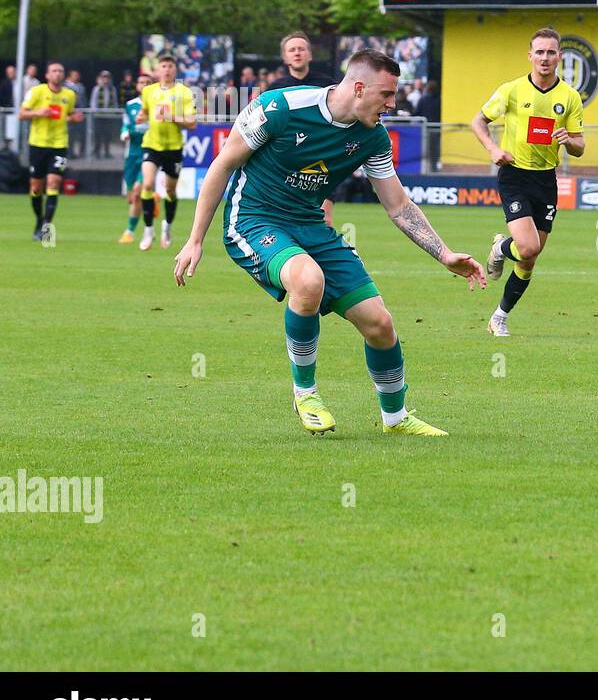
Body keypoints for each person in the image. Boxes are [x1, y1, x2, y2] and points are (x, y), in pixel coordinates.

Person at [173, 48, 486, 437]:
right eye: (386, 95)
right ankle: (305, 393)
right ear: (358, 87)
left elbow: (398, 204)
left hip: (311, 226)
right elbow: (222, 164)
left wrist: (445, 254)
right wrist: (194, 240)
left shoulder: (373, 137)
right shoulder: (279, 107)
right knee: (307, 281)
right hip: (253, 220)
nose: (392, 104)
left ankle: (396, 418)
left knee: (379, 323)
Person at [473, 27, 586, 337]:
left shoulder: (569, 97)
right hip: (515, 174)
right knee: (527, 246)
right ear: (530, 56)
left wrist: (568, 141)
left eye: (551, 52)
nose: (545, 58)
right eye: (540, 52)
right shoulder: (512, 90)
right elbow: (478, 121)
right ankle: (501, 247)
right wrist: (493, 149)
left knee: (529, 259)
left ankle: (499, 317)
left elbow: (580, 146)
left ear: (560, 56)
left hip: (546, 180)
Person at [265, 32, 341, 226]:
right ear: (285, 57)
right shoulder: (274, 89)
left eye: (301, 49)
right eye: (292, 50)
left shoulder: (328, 86)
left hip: (321, 162)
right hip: (285, 165)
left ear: (310, 55)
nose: (297, 53)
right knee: (284, 224)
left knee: (324, 222)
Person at [137, 54, 197, 250]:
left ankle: (167, 226)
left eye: (170, 66)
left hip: (173, 148)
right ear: (158, 69)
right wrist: (141, 116)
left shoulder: (184, 93)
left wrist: (171, 116)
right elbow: (145, 111)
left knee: (170, 191)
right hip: (151, 144)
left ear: (175, 69)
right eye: (163, 66)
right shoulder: (149, 91)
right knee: (147, 184)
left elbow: (192, 123)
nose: (167, 69)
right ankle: (148, 231)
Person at [19, 62, 83, 241]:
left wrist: (74, 118)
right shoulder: (37, 92)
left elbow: (67, 115)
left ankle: (46, 228)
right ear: (47, 75)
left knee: (54, 183)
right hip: (38, 144)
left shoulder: (69, 94)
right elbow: (21, 114)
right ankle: (39, 221)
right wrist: (39, 112)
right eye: (54, 71)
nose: (58, 74)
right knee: (35, 187)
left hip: (59, 144)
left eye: (61, 71)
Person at [118, 71, 153, 243]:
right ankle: (151, 203)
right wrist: (124, 133)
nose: (144, 85)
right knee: (131, 196)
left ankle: (130, 231)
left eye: (148, 82)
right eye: (141, 82)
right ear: (137, 86)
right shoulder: (130, 105)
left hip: (149, 151)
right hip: (132, 154)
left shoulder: (158, 103)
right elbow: (125, 125)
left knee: (139, 191)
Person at [90, 70, 119, 159]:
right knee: (97, 134)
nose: (106, 79)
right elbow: (93, 101)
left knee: (107, 135)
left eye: (107, 77)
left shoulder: (112, 89)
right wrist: (93, 112)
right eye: (104, 77)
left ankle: (107, 152)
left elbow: (114, 101)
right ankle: (97, 152)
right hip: (98, 116)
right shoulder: (97, 88)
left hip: (108, 116)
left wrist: (115, 111)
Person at [415, 79, 442, 171]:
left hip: (425, 129)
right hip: (436, 128)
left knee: (425, 150)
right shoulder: (440, 100)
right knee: (434, 150)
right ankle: (434, 169)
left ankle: (424, 169)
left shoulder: (423, 99)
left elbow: (417, 113)